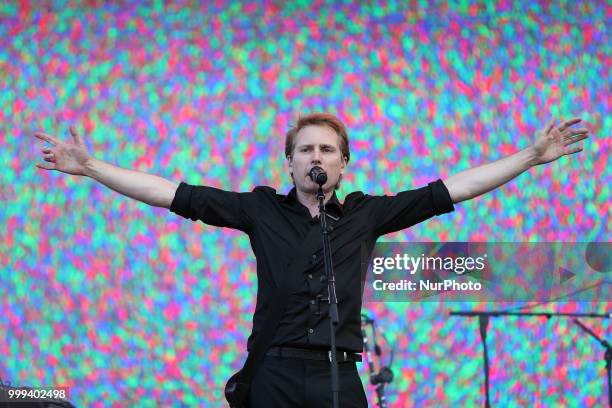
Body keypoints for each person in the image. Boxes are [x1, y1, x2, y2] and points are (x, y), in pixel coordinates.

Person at [34, 113, 589, 407]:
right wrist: (92, 167)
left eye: (326, 149)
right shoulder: (259, 209)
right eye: (305, 149)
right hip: (273, 370)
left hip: (339, 374)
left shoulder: (365, 216)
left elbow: (453, 189)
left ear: (343, 164)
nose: (315, 157)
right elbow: (172, 192)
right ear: (290, 162)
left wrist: (531, 158)